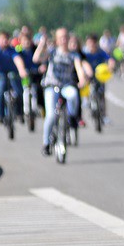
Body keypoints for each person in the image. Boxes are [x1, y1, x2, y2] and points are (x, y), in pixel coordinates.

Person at [35, 28, 87, 156]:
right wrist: (42, 45)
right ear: (57, 40)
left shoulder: (74, 55)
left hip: (66, 86)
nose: (64, 40)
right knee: (51, 115)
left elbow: (79, 68)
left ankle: (72, 117)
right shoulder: (52, 52)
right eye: (61, 37)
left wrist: (82, 80)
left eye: (66, 37)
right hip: (51, 86)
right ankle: (46, 143)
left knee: (74, 95)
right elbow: (36, 59)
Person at [0, 30, 23, 124]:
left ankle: (19, 113)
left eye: (7, 39)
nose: (5, 41)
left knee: (19, 91)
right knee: (0, 92)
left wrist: (21, 69)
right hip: (0, 75)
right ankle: (1, 115)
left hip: (12, 73)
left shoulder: (12, 50)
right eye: (3, 39)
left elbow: (17, 60)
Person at [81, 34, 114, 123]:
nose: (91, 44)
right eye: (89, 42)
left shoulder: (100, 52)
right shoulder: (84, 53)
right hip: (88, 76)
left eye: (93, 42)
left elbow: (110, 59)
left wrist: (110, 66)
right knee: (86, 90)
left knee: (102, 95)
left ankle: (104, 115)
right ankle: (87, 101)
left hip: (99, 76)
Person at [12, 32, 45, 118]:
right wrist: (21, 70)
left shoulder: (34, 49)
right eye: (24, 40)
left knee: (35, 90)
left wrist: (41, 66)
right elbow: (16, 59)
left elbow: (40, 59)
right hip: (24, 74)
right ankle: (26, 110)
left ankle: (34, 108)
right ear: (20, 41)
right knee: (26, 90)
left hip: (34, 73)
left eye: (28, 40)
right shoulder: (18, 50)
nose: (27, 42)